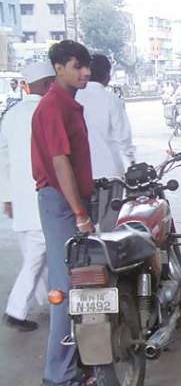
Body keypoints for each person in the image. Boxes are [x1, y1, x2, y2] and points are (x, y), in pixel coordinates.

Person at [31, 40, 93, 386]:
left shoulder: (69, 103)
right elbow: (59, 162)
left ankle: (79, 365)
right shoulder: (53, 105)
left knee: (83, 283)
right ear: (58, 67)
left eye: (86, 66)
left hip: (70, 200)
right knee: (65, 288)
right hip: (60, 203)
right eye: (76, 65)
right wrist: (79, 212)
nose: (84, 72)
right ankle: (59, 376)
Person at [0, 62, 55, 332]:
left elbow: (3, 158)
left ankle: (45, 300)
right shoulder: (48, 111)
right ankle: (16, 310)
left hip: (20, 200)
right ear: (47, 85)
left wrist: (6, 197)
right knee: (36, 256)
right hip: (41, 196)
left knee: (35, 253)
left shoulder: (11, 114)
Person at [76, 54, 135, 231]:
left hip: (81, 173)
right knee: (109, 225)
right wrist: (132, 164)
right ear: (107, 75)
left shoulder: (74, 98)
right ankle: (106, 255)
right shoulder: (111, 100)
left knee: (84, 225)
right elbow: (123, 138)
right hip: (110, 173)